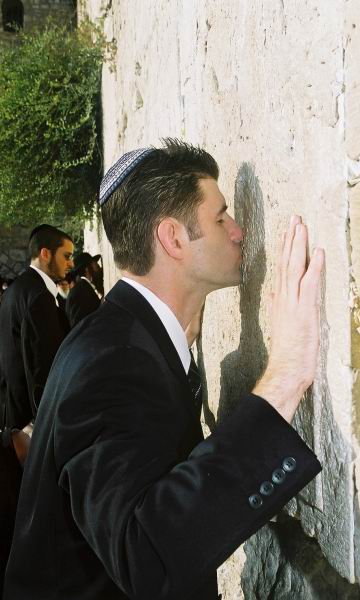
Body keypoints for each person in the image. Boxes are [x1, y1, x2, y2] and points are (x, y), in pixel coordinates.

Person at [4, 140, 325, 600]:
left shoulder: (125, 337)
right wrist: (288, 374)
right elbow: (145, 555)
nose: (238, 231)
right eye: (220, 218)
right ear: (173, 238)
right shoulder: (113, 361)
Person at [0, 224, 74, 594]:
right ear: (45, 254)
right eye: (65, 255)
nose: (70, 263)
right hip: (33, 430)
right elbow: (42, 370)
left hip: (15, 420)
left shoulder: (16, 290)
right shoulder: (38, 297)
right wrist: (44, 430)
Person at [65, 252, 103, 328]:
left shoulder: (85, 288)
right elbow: (80, 326)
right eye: (97, 266)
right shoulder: (79, 293)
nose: (100, 269)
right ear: (87, 269)